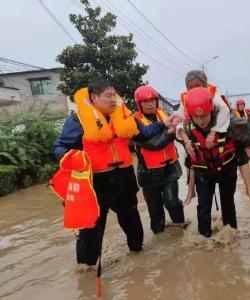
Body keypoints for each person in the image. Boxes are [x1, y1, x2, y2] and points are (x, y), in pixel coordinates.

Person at [54, 79, 180, 267]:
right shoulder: (79, 119)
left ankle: (138, 257)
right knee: (91, 229)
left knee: (133, 222)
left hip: (124, 178)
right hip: (96, 182)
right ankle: (86, 270)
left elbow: (143, 132)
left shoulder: (123, 115)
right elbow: (60, 147)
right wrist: (70, 158)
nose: (113, 99)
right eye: (108, 95)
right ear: (94, 97)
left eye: (114, 95)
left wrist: (163, 124)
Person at [183, 87, 250, 237]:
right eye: (196, 117)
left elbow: (242, 160)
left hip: (227, 169)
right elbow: (191, 164)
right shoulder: (189, 132)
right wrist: (190, 191)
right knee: (203, 206)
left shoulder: (229, 126)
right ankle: (204, 238)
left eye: (204, 116)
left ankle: (231, 235)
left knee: (228, 204)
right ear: (191, 116)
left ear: (212, 111)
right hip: (204, 172)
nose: (201, 120)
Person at [133, 85, 185, 234]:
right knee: (155, 210)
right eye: (145, 101)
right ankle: (159, 235)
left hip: (169, 167)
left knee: (173, 202)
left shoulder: (164, 114)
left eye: (152, 100)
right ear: (139, 103)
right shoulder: (134, 121)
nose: (150, 104)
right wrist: (169, 132)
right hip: (148, 172)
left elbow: (178, 131)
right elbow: (153, 144)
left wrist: (185, 138)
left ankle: (180, 231)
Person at [177, 70, 231, 205]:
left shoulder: (214, 94)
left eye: (198, 85)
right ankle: (191, 192)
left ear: (206, 85)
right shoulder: (185, 99)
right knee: (190, 159)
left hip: (217, 137)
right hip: (196, 139)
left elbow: (225, 110)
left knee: (227, 201)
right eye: (190, 87)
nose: (194, 89)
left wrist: (213, 132)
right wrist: (186, 140)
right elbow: (178, 121)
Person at [231, 98, 250, 201]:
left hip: (244, 143)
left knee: (244, 162)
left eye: (243, 105)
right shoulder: (232, 115)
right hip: (233, 144)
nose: (241, 106)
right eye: (240, 105)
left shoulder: (249, 116)